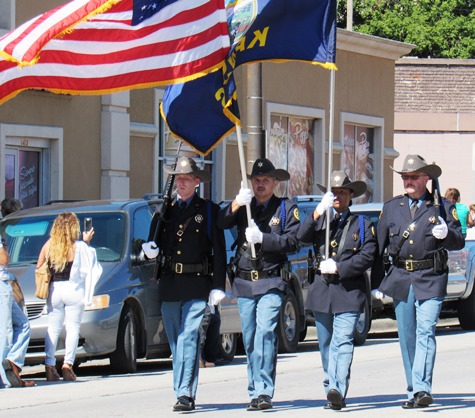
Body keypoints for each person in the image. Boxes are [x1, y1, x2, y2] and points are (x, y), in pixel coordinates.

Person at [372, 154, 464, 409]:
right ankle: (413, 388)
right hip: (402, 278)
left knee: (426, 331)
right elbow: (380, 246)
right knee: (408, 336)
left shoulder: (442, 206)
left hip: (430, 277)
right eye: (405, 177)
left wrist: (446, 234)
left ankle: (422, 388)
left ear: (426, 178)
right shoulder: (392, 207)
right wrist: (377, 284)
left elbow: (458, 239)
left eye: (414, 177)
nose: (408, 181)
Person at [142, 157, 226, 412]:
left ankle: (185, 393)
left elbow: (219, 251)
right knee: (176, 342)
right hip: (170, 283)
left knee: (189, 338)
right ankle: (182, 388)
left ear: (197, 181)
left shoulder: (208, 210)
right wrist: (149, 252)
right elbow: (151, 244)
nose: (181, 182)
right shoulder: (164, 210)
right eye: (178, 178)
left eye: (186, 178)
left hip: (197, 283)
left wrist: (218, 285)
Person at [217, 158, 300, 411]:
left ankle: (264, 390)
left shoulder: (285, 208)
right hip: (244, 282)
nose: (260, 185)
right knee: (251, 337)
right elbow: (221, 223)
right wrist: (235, 203)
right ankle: (253, 389)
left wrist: (263, 238)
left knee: (265, 332)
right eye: (256, 180)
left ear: (275, 183)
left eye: (265, 180)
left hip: (271, 280)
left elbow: (293, 241)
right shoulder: (245, 206)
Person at [297, 171, 377, 410]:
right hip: (322, 291)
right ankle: (330, 385)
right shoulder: (321, 221)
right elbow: (300, 237)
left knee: (342, 342)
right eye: (333, 192)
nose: (337, 197)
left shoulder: (362, 225)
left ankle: (337, 389)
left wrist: (340, 267)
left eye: (342, 192)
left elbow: (367, 256)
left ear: (351, 195)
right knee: (325, 344)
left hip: (348, 291)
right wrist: (317, 212)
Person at [37, 212, 101, 382]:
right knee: (73, 328)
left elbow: (39, 266)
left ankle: (49, 365)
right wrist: (86, 241)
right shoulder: (78, 246)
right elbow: (91, 264)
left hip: (54, 289)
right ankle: (68, 364)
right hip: (73, 290)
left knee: (53, 328)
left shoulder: (49, 245)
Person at [0, 240, 35, 388]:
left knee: (23, 324)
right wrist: (5, 250)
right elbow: (3, 259)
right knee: (5, 331)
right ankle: (3, 377)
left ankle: (12, 363)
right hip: (2, 284)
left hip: (5, 284)